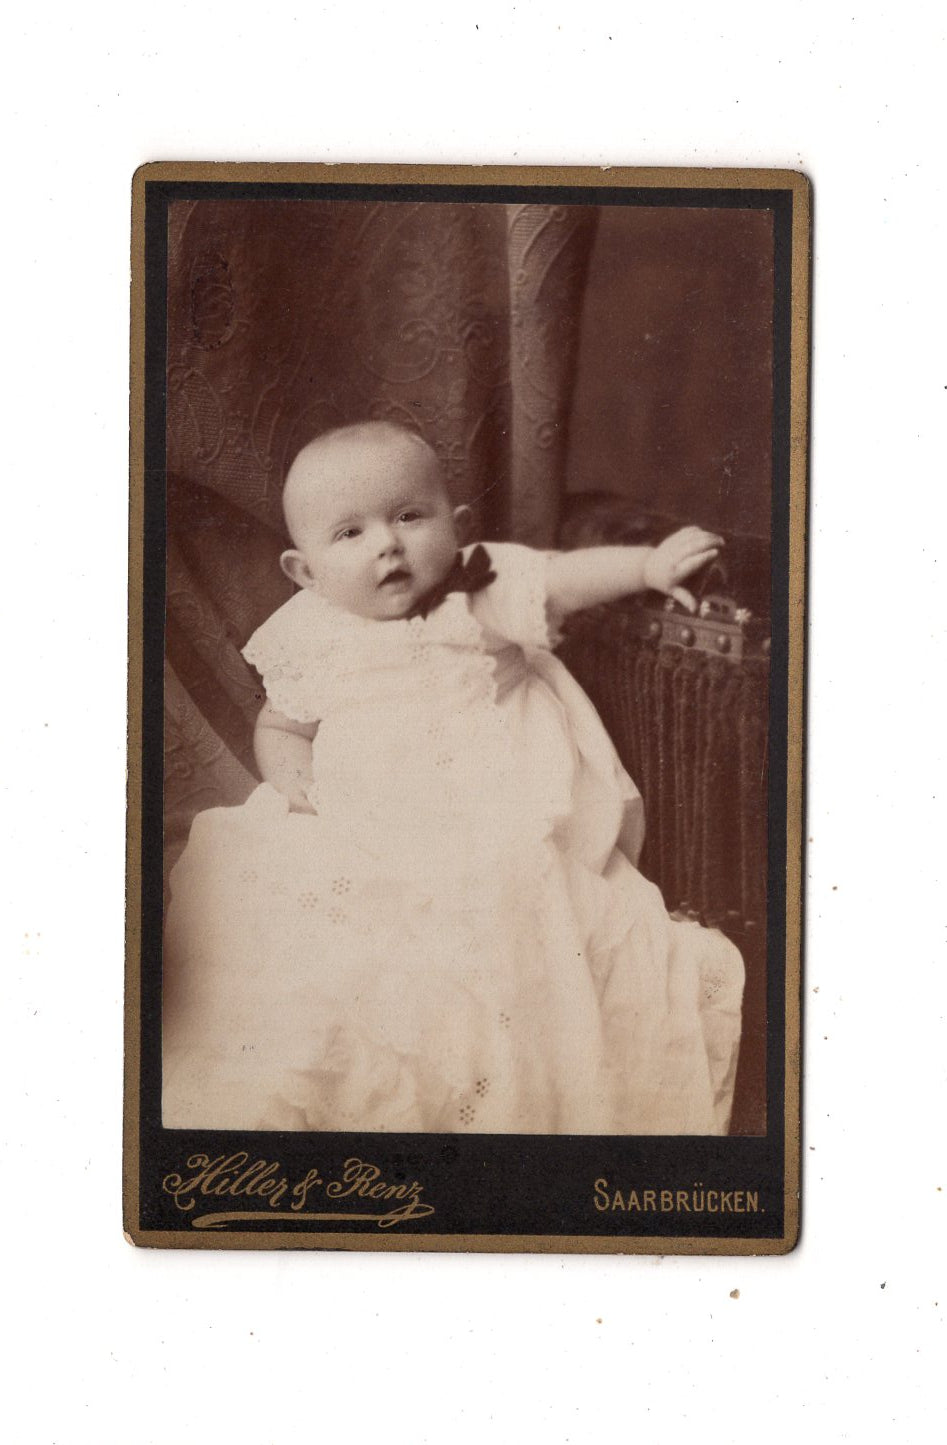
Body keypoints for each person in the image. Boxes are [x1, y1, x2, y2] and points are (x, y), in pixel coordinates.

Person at [163, 420, 744, 1134]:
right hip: (364, 818)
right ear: (305, 571)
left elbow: (560, 579)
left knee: (504, 925)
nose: (387, 543)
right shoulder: (310, 632)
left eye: (410, 516)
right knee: (306, 928)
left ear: (458, 525)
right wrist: (299, 787)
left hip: (488, 812)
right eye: (350, 533)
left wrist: (647, 566)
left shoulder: (475, 591)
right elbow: (282, 725)